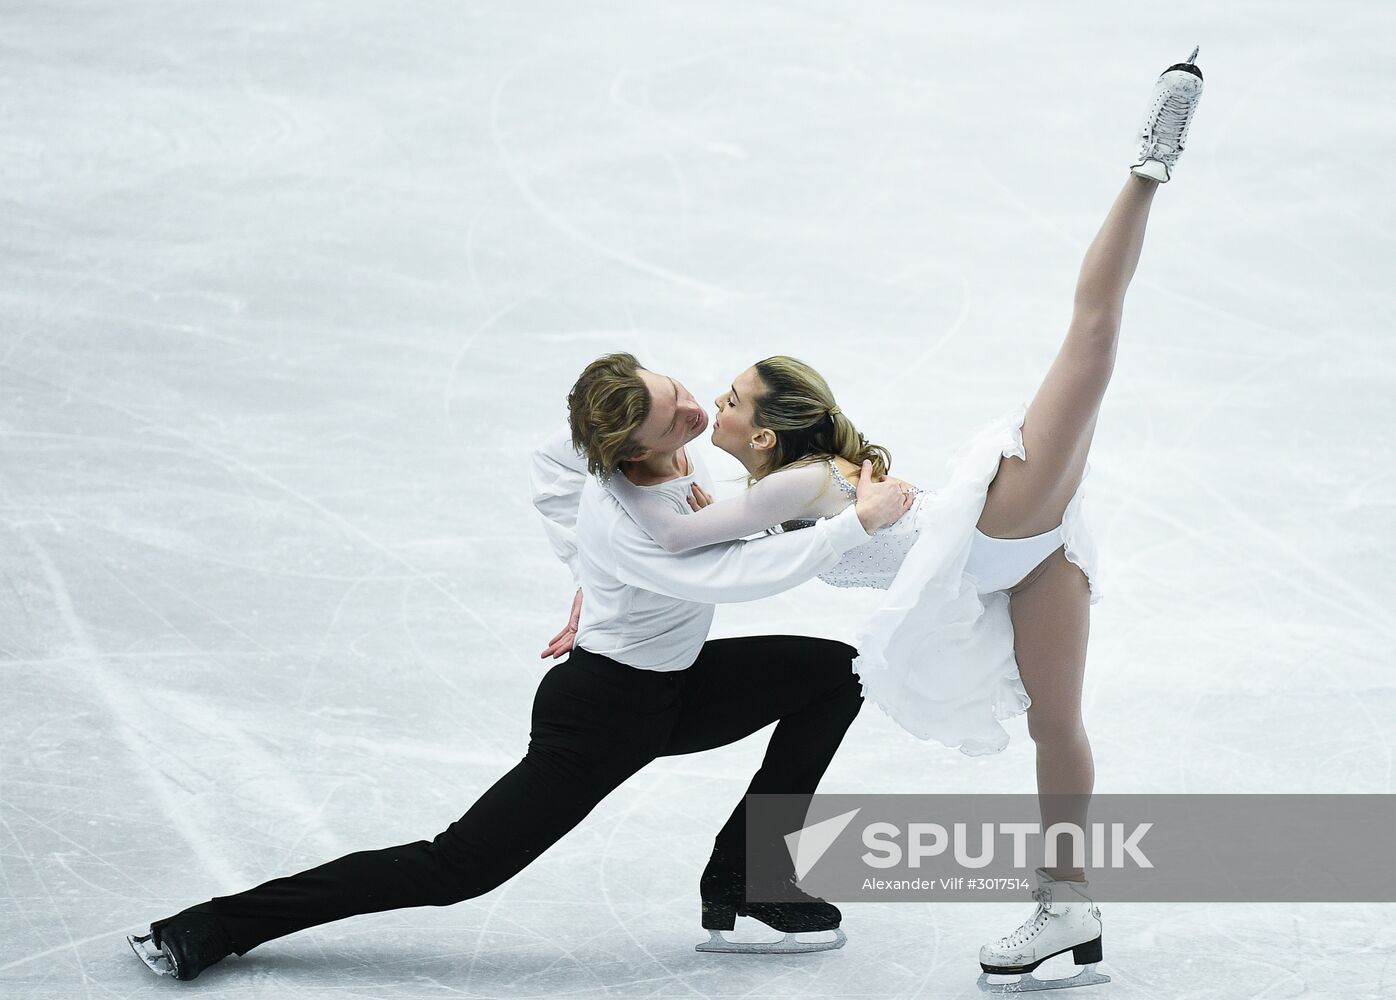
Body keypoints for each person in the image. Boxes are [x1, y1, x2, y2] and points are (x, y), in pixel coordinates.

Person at [598, 49, 1205, 994]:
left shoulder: (787, 489)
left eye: (726, 399)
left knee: (1091, 335)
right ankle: (1067, 904)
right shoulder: (776, 493)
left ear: (763, 436)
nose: (710, 408)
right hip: (1016, 565)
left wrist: (602, 526)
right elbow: (702, 534)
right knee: (1058, 726)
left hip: (998, 527)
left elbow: (672, 542)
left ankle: (1147, 168)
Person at [124, 357, 913, 980]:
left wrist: (586, 574)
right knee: (460, 866)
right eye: (669, 414)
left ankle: (748, 879)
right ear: (633, 449)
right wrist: (855, 527)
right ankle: (214, 925)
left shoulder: (612, 440)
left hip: (676, 684)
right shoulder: (641, 526)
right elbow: (730, 577)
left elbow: (551, 465)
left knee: (836, 674)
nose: (691, 407)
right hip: (603, 713)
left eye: (671, 386)